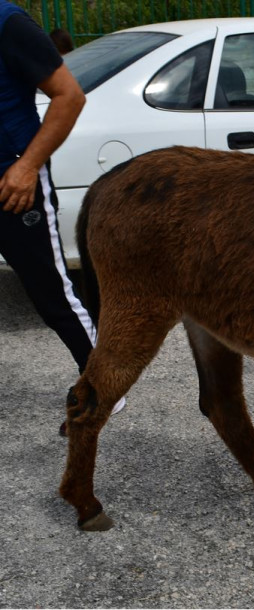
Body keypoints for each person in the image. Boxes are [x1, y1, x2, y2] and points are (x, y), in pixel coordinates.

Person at [0, 1, 124, 435]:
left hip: (13, 183)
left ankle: (105, 385)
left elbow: (70, 95)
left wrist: (27, 166)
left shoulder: (8, 23)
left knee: (51, 294)